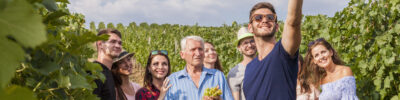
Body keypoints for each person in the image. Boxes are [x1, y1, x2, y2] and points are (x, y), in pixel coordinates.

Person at [242, 0, 303, 99]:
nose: (265, 20)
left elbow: (293, 22)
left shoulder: (283, 52)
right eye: (258, 18)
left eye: (270, 18)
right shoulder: (249, 68)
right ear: (250, 28)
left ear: (277, 27)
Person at [164, 36, 233, 100]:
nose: (198, 53)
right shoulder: (172, 80)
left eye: (200, 49)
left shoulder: (217, 76)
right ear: (182, 54)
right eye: (193, 49)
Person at [227, 27, 257, 100]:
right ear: (239, 48)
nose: (249, 45)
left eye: (252, 41)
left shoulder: (266, 65)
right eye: (245, 43)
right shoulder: (234, 73)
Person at [93, 29, 123, 100]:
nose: (118, 46)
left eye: (120, 43)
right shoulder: (94, 71)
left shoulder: (110, 73)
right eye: (113, 42)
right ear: (100, 44)